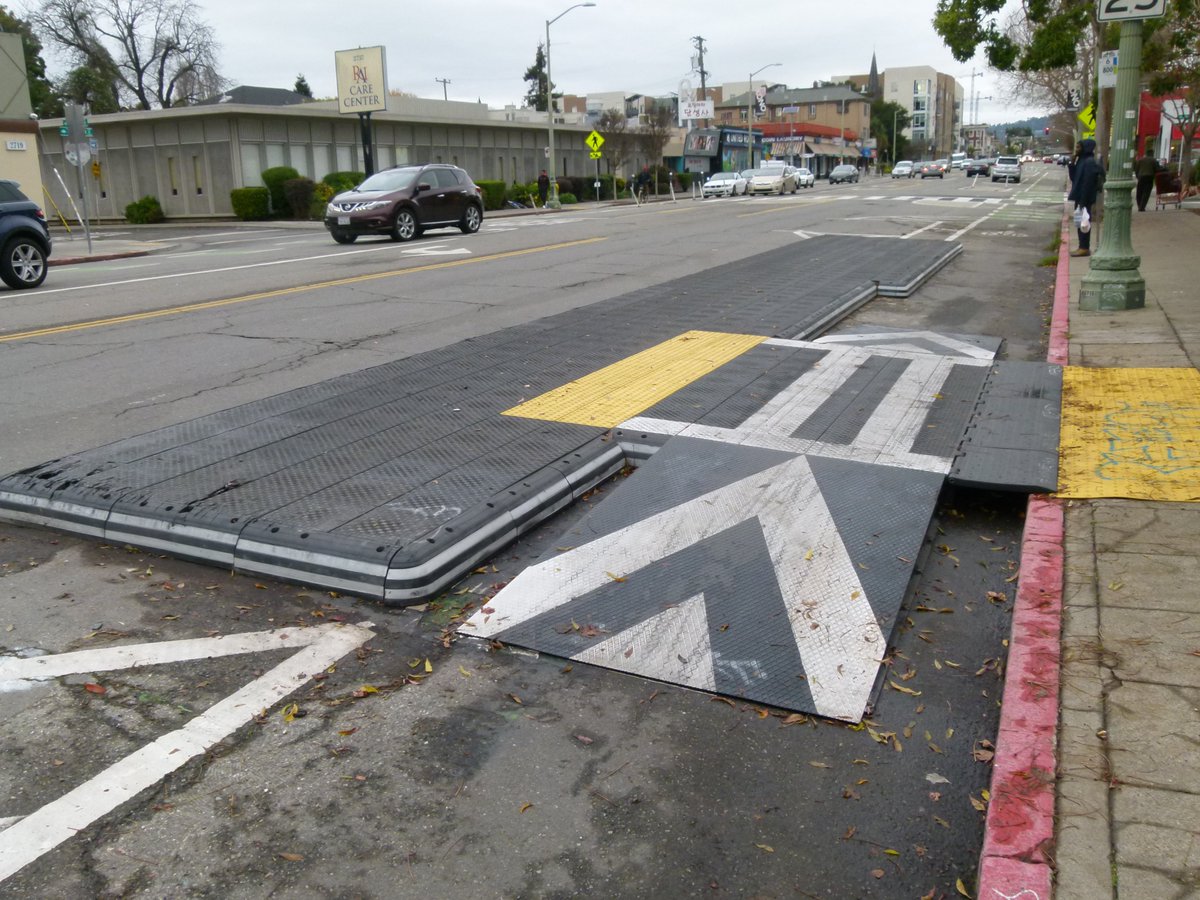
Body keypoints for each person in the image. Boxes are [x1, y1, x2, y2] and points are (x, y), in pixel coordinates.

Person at [1067, 138, 1105, 257]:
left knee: (1084, 222)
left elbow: (1087, 183)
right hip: (1080, 196)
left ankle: (1084, 247)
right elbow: (1074, 179)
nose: (1076, 150)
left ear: (1085, 148)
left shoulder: (1089, 162)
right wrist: (1071, 164)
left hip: (1084, 198)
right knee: (1080, 223)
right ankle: (1082, 246)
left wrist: (1083, 201)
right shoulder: (1081, 161)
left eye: (1078, 147)